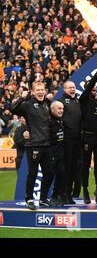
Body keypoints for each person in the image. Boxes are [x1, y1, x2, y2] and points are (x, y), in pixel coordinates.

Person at [11, 82, 52, 210]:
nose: (40, 92)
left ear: (45, 91)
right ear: (33, 92)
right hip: (33, 145)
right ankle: (29, 198)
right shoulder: (27, 105)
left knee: (49, 173)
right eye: (37, 90)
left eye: (42, 90)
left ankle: (43, 199)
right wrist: (22, 97)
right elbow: (13, 109)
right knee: (32, 174)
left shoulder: (47, 104)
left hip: (47, 144)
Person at [79, 66, 97, 204]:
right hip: (87, 137)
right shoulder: (83, 100)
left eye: (95, 89)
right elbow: (89, 88)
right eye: (92, 89)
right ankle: (85, 191)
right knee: (85, 165)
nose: (94, 91)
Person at [58, 80, 82, 204]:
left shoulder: (77, 100)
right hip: (66, 140)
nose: (72, 89)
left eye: (73, 87)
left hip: (77, 140)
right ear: (64, 89)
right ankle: (62, 194)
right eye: (69, 87)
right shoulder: (61, 101)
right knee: (65, 168)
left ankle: (68, 194)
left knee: (74, 168)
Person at [47, 101, 65, 206]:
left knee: (61, 174)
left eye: (62, 108)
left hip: (60, 152)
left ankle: (55, 196)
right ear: (52, 109)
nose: (61, 110)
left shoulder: (61, 120)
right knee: (49, 175)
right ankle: (44, 198)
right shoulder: (48, 121)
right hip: (51, 152)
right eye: (59, 108)